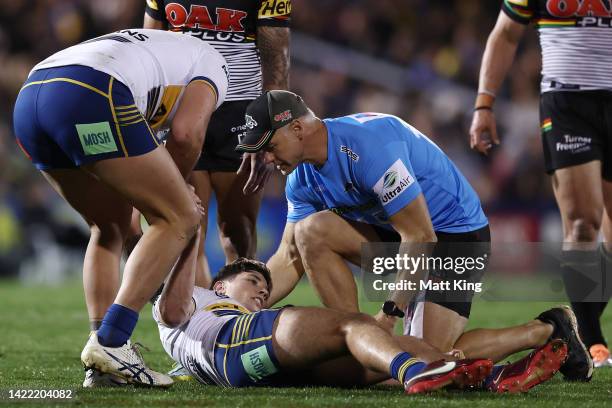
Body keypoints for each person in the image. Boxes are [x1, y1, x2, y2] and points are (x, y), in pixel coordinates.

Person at [235, 90, 593, 381]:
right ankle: (350, 339)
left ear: (297, 129)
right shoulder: (302, 178)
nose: (264, 157)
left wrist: (389, 315)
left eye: (267, 144)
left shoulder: (367, 148)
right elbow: (289, 255)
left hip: (454, 238)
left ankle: (546, 329)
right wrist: (240, 310)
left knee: (424, 357)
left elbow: (421, 234)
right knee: (310, 232)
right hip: (402, 236)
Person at [12, 28, 229, 387]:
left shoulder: (163, 49)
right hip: (90, 90)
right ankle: (111, 342)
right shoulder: (214, 62)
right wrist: (176, 190)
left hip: (32, 96)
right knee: (181, 215)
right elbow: (186, 133)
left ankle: (102, 365)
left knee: (108, 225)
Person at [151, 251, 569, 393]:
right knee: (351, 325)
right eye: (252, 281)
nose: (262, 291)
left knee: (392, 356)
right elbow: (169, 307)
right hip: (236, 343)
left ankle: (488, 377)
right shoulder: (195, 298)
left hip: (256, 372)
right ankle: (417, 374)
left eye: (264, 286)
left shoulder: (193, 335)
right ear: (219, 286)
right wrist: (189, 230)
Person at [468, 0, 612, 369]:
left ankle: (578, 328)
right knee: (581, 222)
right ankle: (594, 343)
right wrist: (484, 105)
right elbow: (504, 33)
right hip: (567, 104)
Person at [141, 0, 291, 287]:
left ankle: (239, 317)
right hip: (181, 112)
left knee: (238, 230)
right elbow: (149, 49)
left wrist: (268, 128)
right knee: (187, 227)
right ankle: (193, 321)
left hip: (240, 114)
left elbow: (277, 66)